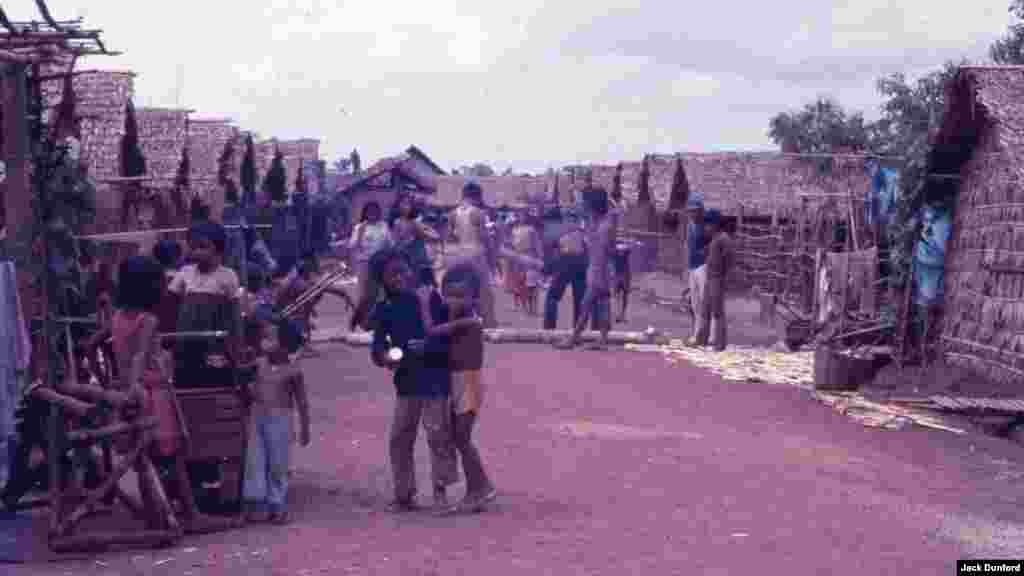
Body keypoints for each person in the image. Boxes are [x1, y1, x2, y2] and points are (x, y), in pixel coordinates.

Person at [113, 256, 235, 534]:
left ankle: (156, 512)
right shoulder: (149, 320)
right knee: (175, 455)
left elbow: (119, 350)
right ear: (148, 287)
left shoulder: (117, 317)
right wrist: (134, 387)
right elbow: (141, 356)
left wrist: (124, 386)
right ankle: (192, 514)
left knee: (147, 455)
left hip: (130, 389)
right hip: (152, 392)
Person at [369, 248, 457, 512]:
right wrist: (386, 357)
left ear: (410, 269)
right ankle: (404, 494)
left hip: (435, 378)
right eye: (391, 274)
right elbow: (377, 347)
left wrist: (428, 346)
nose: (399, 278)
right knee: (400, 437)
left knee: (438, 435)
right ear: (382, 280)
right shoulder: (385, 309)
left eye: (402, 270)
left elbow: (448, 337)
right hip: (407, 381)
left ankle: (441, 493)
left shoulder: (431, 299)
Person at [424, 263, 496, 514]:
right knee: (459, 438)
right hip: (459, 382)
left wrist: (424, 304)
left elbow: (432, 331)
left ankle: (481, 487)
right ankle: (479, 488)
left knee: (462, 439)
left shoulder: (470, 321)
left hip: (469, 383)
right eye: (449, 295)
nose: (453, 301)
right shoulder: (459, 318)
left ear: (473, 297)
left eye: (460, 296)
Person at [243, 314, 311, 525]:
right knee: (255, 460)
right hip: (258, 416)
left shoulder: (293, 370)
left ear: (285, 343)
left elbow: (302, 401)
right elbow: (247, 389)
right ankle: (257, 505)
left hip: (281, 418)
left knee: (278, 463)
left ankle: (278, 505)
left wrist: (305, 427)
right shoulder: (257, 364)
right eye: (264, 337)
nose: (265, 342)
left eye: (271, 337)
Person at [168, 221, 241, 388]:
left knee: (214, 381)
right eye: (192, 247)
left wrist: (235, 347)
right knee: (186, 383)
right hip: (186, 341)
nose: (195, 251)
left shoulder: (227, 276)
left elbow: (234, 316)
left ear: (218, 249)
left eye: (202, 246)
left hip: (214, 342)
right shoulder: (185, 273)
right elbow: (170, 303)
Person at [555, 187, 617, 350]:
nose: (581, 205)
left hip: (599, 269)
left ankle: (574, 337)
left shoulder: (604, 226)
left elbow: (604, 250)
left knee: (586, 305)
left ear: (591, 205)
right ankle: (603, 340)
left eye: (584, 202)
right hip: (600, 269)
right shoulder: (599, 222)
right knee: (603, 304)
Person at [445, 182, 497, 328]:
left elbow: (449, 237)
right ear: (478, 196)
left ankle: (460, 321)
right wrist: (492, 258)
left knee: (462, 289)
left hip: (459, 254)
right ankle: (487, 323)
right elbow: (485, 238)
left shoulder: (453, 213)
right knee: (483, 290)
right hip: (476, 253)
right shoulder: (479, 213)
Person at [348, 201, 392, 331]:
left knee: (381, 295)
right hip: (365, 263)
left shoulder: (384, 226)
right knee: (365, 295)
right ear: (365, 213)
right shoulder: (360, 227)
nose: (372, 214)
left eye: (375, 211)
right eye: (369, 211)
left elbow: (390, 244)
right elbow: (352, 246)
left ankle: (374, 323)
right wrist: (361, 233)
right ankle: (356, 322)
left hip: (381, 263)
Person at [544, 210, 588, 330]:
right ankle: (578, 331)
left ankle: (549, 329)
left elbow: (551, 250)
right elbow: (586, 250)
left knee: (552, 297)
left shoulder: (560, 231)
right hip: (580, 265)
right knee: (579, 300)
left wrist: (548, 267)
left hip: (566, 263)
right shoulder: (582, 231)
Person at [698, 209, 734, 350]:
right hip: (709, 277)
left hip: (717, 278)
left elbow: (729, 258)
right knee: (705, 309)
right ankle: (702, 340)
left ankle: (720, 343)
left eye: (708, 224)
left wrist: (724, 275)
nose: (706, 227)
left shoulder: (723, 239)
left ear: (715, 224)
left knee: (717, 311)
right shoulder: (714, 238)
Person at [389, 194, 440, 288]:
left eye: (408, 204)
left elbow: (431, 236)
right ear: (397, 206)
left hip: (416, 257)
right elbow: (394, 240)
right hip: (404, 255)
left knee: (416, 281)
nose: (406, 206)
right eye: (403, 203)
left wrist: (424, 234)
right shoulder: (397, 222)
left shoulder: (416, 222)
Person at [685, 193, 709, 346]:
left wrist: (705, 253)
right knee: (694, 303)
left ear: (701, 210)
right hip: (692, 266)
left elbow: (712, 244)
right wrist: (685, 267)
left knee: (704, 300)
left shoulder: (706, 225)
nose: (693, 213)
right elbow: (686, 245)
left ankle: (706, 334)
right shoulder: (689, 225)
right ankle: (696, 333)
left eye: (695, 210)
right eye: (691, 211)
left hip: (703, 266)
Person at [511, 211, 544, 316]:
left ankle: (532, 308)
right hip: (518, 258)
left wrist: (539, 256)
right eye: (519, 215)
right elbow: (512, 244)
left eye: (523, 215)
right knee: (521, 285)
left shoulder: (531, 229)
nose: (521, 217)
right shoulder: (514, 230)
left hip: (529, 256)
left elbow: (537, 243)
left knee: (531, 285)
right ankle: (525, 308)